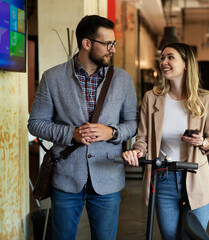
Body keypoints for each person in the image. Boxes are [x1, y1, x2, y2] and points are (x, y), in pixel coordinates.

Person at [28, 15, 137, 240]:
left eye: (113, 44)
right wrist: (71, 134)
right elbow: (36, 123)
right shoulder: (52, 78)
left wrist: (113, 132)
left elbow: (133, 123)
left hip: (108, 178)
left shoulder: (123, 80)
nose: (113, 49)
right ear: (86, 44)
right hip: (66, 178)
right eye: (108, 44)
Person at [122, 42, 209, 239]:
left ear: (186, 64)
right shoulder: (152, 98)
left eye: (170, 57)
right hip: (164, 179)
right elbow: (142, 138)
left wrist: (203, 142)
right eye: (162, 58)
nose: (164, 62)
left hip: (196, 179)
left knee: (191, 237)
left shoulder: (206, 100)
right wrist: (137, 151)